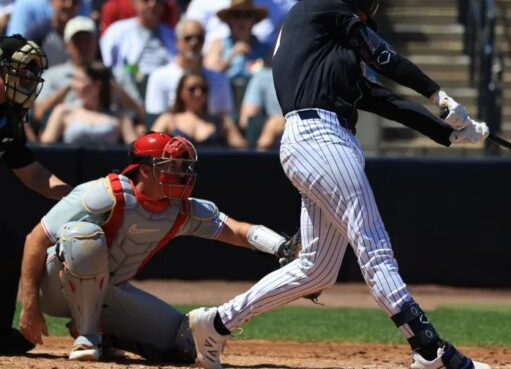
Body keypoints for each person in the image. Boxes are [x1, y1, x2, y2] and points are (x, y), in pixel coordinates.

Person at [186, 0, 491, 369]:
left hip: (316, 142)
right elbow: (382, 55)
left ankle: (216, 323)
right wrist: (437, 92)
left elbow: (383, 99)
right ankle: (428, 349)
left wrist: (449, 133)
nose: (359, 29)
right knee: (374, 246)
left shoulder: (324, 58)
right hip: (321, 138)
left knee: (316, 268)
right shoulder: (322, 6)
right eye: (360, 21)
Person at [18, 132, 300, 362]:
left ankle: (107, 336)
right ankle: (87, 336)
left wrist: (282, 248)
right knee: (83, 236)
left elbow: (236, 230)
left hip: (108, 291)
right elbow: (36, 238)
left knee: (185, 343)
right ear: (144, 170)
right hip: (54, 288)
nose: (181, 174)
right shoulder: (103, 194)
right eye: (172, 166)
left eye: (183, 167)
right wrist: (29, 305)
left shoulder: (180, 210)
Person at [0, 34, 71, 355]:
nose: (28, 78)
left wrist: (77, 198)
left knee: (5, 245)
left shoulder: (7, 115)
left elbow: (33, 174)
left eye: (32, 72)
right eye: (22, 70)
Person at [145, 19, 233, 128]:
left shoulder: (219, 78)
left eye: (199, 38)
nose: (194, 42)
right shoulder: (159, 77)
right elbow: (156, 118)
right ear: (177, 41)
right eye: (188, 38)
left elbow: (224, 117)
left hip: (211, 139)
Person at [39, 60, 138, 145]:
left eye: (79, 80)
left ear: (96, 85)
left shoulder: (121, 117)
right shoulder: (63, 112)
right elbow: (46, 146)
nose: (73, 84)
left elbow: (135, 150)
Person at [151, 71, 246, 148]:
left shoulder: (221, 121)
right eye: (192, 89)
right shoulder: (169, 120)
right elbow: (149, 147)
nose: (198, 93)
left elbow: (240, 150)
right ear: (181, 92)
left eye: (203, 89)